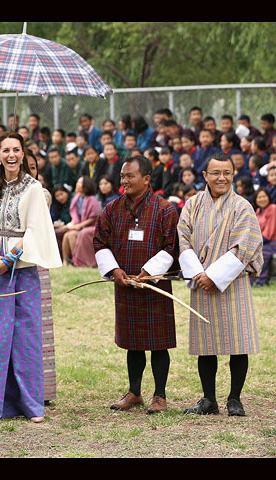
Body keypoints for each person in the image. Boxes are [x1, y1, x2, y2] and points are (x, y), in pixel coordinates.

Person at [0, 132, 61, 422]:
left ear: (23, 153)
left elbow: (35, 230)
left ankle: (30, 405)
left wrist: (9, 259)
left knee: (25, 335)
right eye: (6, 150)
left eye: (16, 149)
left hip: (23, 268)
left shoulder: (32, 188)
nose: (11, 155)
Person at [177, 152, 263, 417]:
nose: (221, 177)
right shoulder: (192, 205)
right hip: (200, 280)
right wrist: (198, 274)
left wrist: (215, 276)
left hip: (232, 281)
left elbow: (245, 246)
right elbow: (182, 239)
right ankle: (209, 399)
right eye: (215, 172)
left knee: (238, 342)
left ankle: (235, 399)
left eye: (227, 172)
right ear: (205, 175)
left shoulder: (242, 207)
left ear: (233, 174)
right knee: (206, 344)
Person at [93, 155, 179, 414]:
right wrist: (114, 270)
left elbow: (172, 247)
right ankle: (134, 392)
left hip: (155, 285)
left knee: (159, 342)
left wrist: (148, 271)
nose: (124, 181)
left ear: (146, 179)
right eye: (122, 176)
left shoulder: (165, 209)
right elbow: (99, 242)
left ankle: (160, 396)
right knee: (132, 342)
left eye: (129, 176)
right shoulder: (112, 208)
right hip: (125, 284)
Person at [25, 151, 57, 405]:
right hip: (7, 265)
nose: (28, 171)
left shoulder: (42, 194)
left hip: (36, 265)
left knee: (39, 328)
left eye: (32, 167)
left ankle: (42, 391)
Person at [60, 176, 101, 267]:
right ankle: (65, 262)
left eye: (79, 182)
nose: (77, 184)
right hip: (80, 226)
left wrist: (78, 226)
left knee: (71, 235)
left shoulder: (92, 199)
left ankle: (77, 261)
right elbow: (75, 216)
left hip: (91, 226)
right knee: (67, 234)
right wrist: (71, 225)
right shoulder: (77, 198)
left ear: (85, 186)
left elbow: (93, 218)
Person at [250, 187, 276, 287]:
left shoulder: (273, 208)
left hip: (272, 241)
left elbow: (270, 231)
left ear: (268, 197)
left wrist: (257, 244)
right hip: (261, 241)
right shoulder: (258, 211)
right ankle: (251, 281)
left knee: (261, 254)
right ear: (256, 199)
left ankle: (261, 281)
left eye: (264, 196)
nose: (262, 199)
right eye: (259, 197)